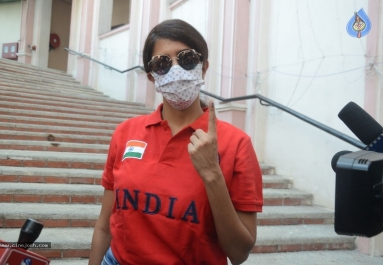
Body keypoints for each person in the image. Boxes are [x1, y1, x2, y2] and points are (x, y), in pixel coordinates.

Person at [89, 19, 263, 265]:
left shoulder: (237, 144)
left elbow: (238, 253)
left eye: (187, 58)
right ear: (151, 76)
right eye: (162, 63)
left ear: (203, 67)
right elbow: (105, 225)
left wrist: (213, 175)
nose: (176, 70)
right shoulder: (125, 133)